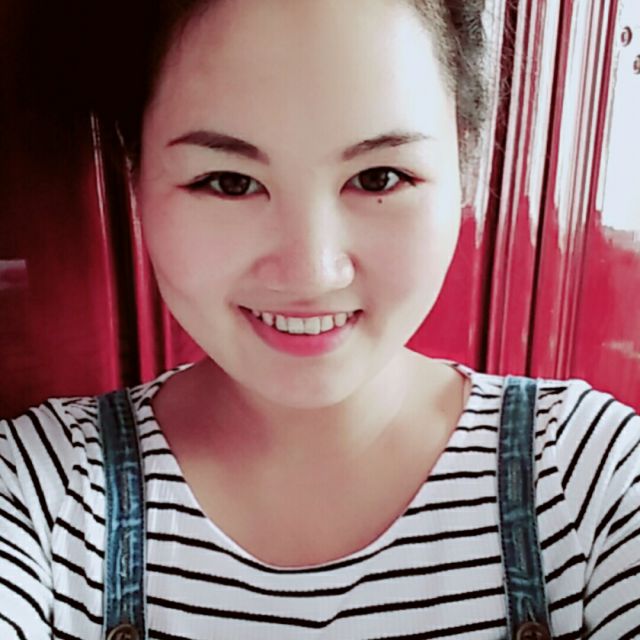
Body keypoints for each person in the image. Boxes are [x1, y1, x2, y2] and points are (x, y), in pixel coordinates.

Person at [1, 1, 638, 638]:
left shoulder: (592, 478)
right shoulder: (41, 492)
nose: (312, 273)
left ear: (463, 162)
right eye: (228, 181)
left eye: (378, 177)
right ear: (134, 171)